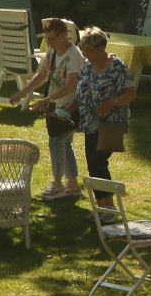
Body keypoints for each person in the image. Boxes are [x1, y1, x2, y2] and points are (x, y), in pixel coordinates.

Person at [13, 18, 85, 199]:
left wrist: (45, 100)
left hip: (70, 105)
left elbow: (70, 85)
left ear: (63, 35)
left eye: (52, 39)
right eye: (47, 39)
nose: (49, 42)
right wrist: (23, 93)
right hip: (55, 106)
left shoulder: (73, 54)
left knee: (56, 142)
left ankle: (58, 183)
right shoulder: (52, 51)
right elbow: (42, 75)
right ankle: (73, 185)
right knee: (64, 143)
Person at [74, 27, 135, 206]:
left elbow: (130, 93)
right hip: (89, 123)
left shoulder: (117, 67)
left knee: (98, 162)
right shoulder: (87, 66)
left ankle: (109, 207)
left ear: (101, 48)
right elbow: (80, 90)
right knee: (93, 166)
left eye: (89, 51)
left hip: (110, 123)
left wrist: (111, 103)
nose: (86, 56)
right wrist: (65, 109)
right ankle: (104, 207)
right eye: (83, 52)